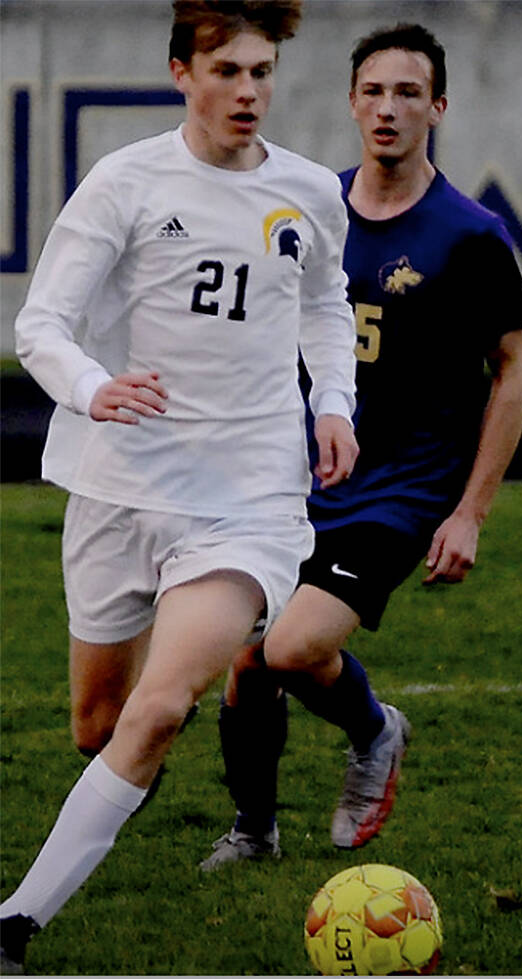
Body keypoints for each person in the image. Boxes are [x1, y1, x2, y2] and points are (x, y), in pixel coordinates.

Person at [0, 1, 360, 972]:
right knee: (99, 727)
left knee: (156, 707)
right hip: (119, 486)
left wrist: (333, 402)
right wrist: (95, 388)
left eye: (262, 71)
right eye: (226, 71)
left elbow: (327, 303)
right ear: (181, 74)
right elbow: (41, 325)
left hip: (249, 500)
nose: (248, 91)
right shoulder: (125, 183)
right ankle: (137, 748)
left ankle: (14, 924)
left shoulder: (308, 192)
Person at [199, 22, 522, 872]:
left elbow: (512, 370)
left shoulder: (470, 235)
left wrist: (470, 513)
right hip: (299, 475)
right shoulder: (313, 209)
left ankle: (376, 729)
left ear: (438, 108)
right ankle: (254, 832)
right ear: (351, 102)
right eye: (374, 91)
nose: (389, 109)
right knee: (246, 660)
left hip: (403, 488)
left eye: (408, 93)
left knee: (291, 646)